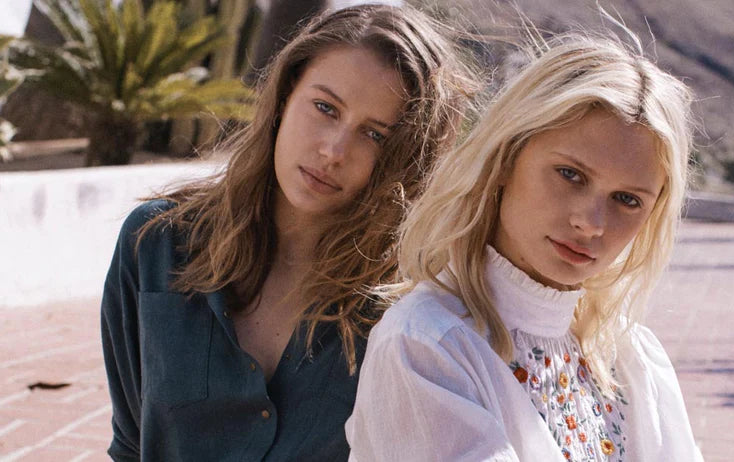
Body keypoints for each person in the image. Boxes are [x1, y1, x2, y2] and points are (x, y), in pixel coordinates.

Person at [99, 4, 475, 460]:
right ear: (283, 97)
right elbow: (131, 443)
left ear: (407, 159)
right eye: (325, 108)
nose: (333, 150)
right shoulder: (157, 244)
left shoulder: (406, 309)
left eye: (375, 134)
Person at [346, 34, 704, 461]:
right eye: (570, 174)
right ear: (506, 158)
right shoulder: (426, 346)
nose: (591, 223)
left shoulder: (632, 358)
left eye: (627, 200)